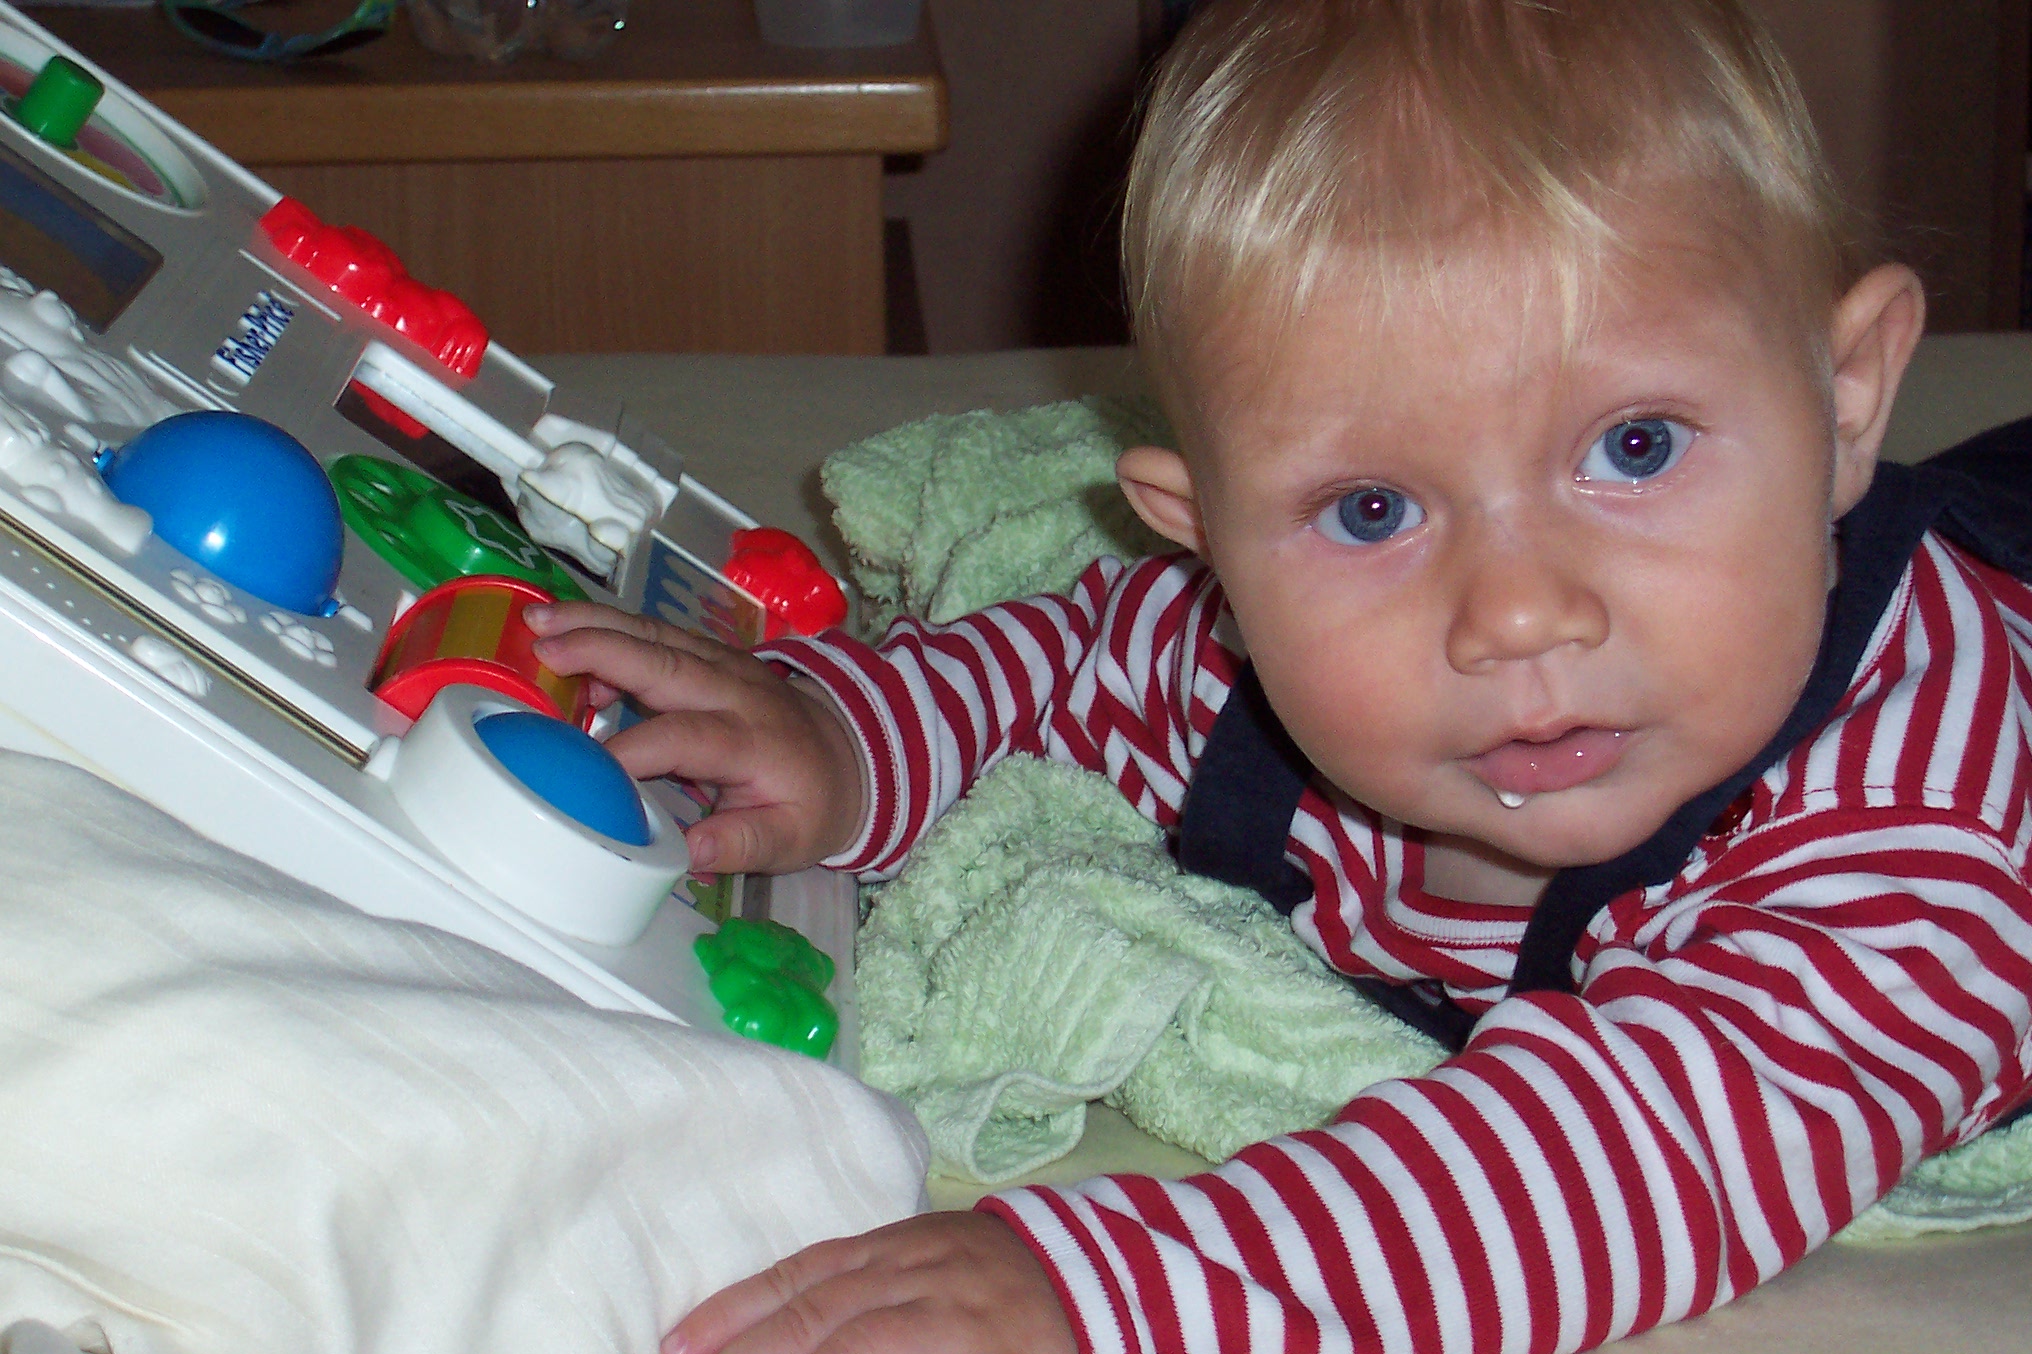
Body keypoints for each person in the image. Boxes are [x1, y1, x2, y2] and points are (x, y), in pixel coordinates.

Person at [526, 1, 2032, 1349]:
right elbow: (1073, 662)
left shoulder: (1930, 837)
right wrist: (845, 737)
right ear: (1216, 551)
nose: (1516, 614)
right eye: (1372, 509)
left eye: (1635, 446)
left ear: (1844, 401)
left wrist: (1116, 1286)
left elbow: (1641, 1157)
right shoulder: (1273, 661)